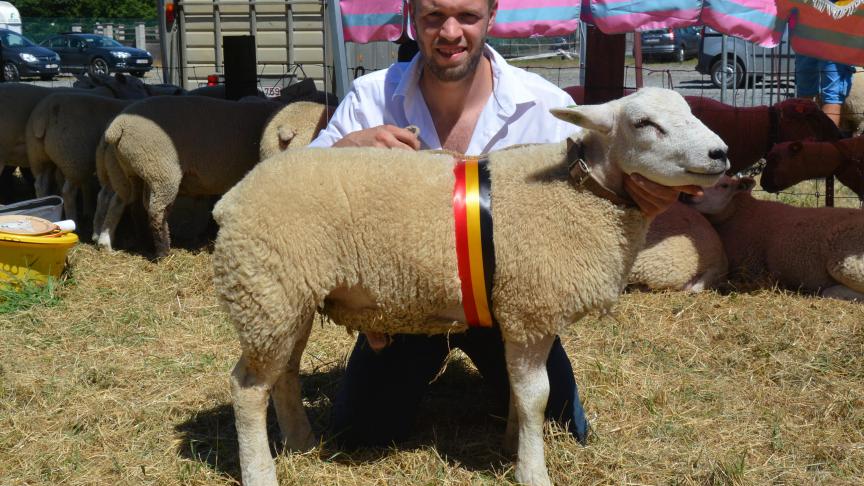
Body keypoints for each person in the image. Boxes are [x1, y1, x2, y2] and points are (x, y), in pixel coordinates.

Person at [310, 0, 701, 449]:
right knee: (359, 436)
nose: (451, 32)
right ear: (411, 18)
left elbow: (604, 188)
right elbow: (297, 193)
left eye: (468, 17)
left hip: (512, 306)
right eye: (434, 16)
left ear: (492, 15)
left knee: (563, 435)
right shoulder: (369, 98)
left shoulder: (547, 108)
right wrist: (345, 146)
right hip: (402, 306)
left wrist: (644, 197)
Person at [795, 53, 855, 129]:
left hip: (804, 43)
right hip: (835, 44)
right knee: (832, 97)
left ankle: (803, 138)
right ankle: (826, 139)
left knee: (804, 95)